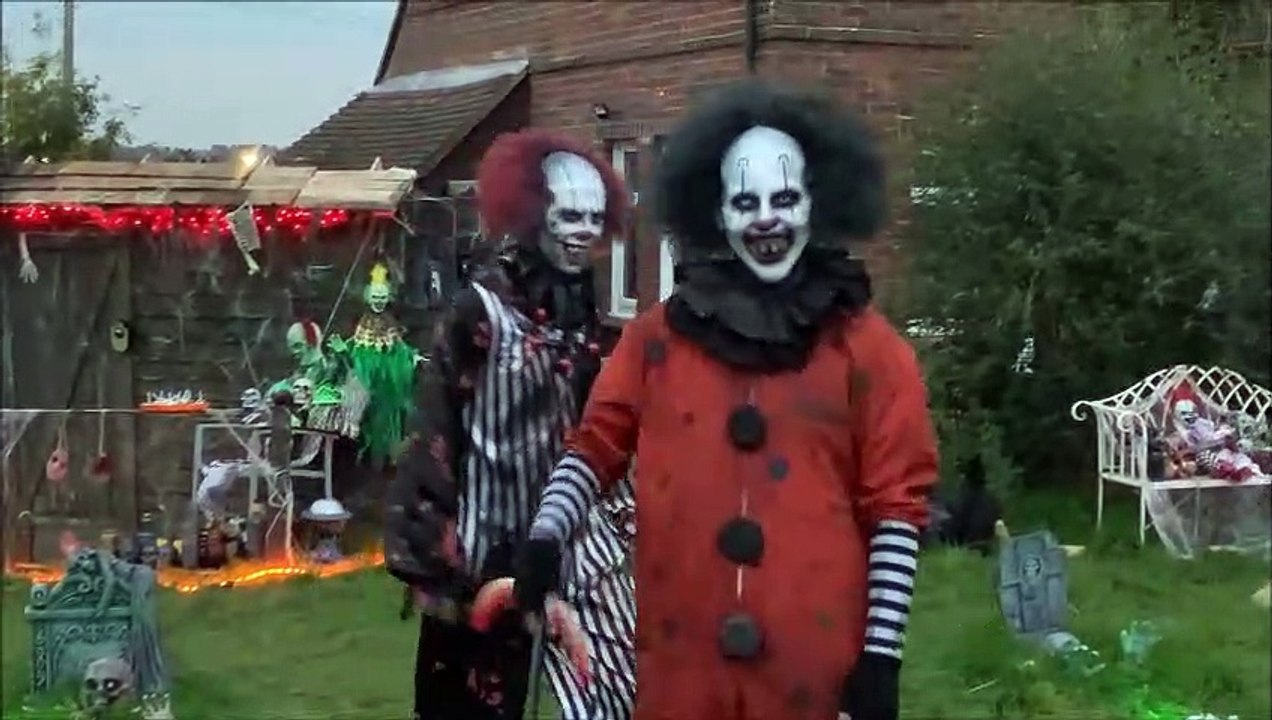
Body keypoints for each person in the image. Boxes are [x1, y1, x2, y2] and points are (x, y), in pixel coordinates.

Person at [514, 80, 940, 720]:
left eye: (784, 198)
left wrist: (882, 653)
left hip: (813, 674)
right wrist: (547, 533)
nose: (766, 218)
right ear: (717, 213)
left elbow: (896, 510)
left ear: (815, 204)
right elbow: (595, 447)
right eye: (746, 201)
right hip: (681, 673)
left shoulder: (869, 349)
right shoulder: (656, 340)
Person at [384, 129, 636, 720]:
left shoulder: (584, 320)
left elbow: (591, 436)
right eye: (569, 215)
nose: (583, 232)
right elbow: (435, 434)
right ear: (534, 213)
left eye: (593, 218)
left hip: (550, 558)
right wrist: (440, 564)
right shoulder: (479, 312)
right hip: (475, 568)